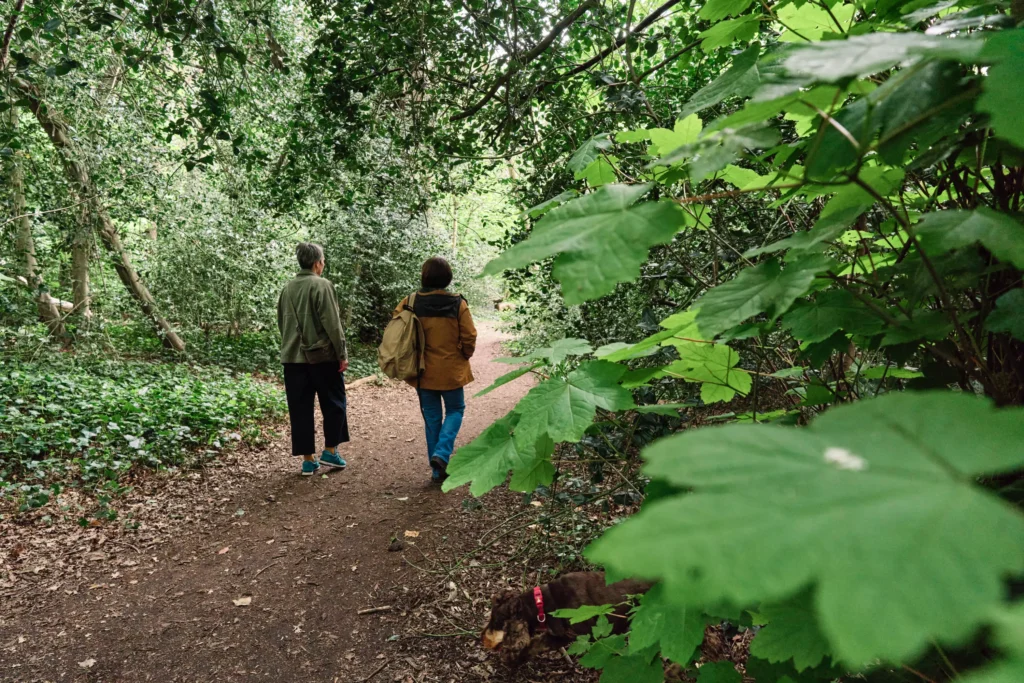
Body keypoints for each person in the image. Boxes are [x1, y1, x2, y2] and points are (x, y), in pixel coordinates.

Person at [394, 257, 477, 483]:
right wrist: (465, 354)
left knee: (432, 418)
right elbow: (470, 335)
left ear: (425, 276)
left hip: (422, 371)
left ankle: (437, 470)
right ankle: (442, 454)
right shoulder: (458, 303)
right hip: (452, 370)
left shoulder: (409, 301)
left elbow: (397, 330)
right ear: (447, 278)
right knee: (456, 410)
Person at [277, 242, 350, 476]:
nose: (324, 264)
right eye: (323, 260)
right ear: (317, 263)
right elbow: (333, 324)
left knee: (300, 408)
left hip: (292, 359)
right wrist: (342, 354)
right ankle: (330, 450)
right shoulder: (322, 285)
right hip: (323, 358)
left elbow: (282, 323)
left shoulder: (287, 288)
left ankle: (308, 460)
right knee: (335, 403)